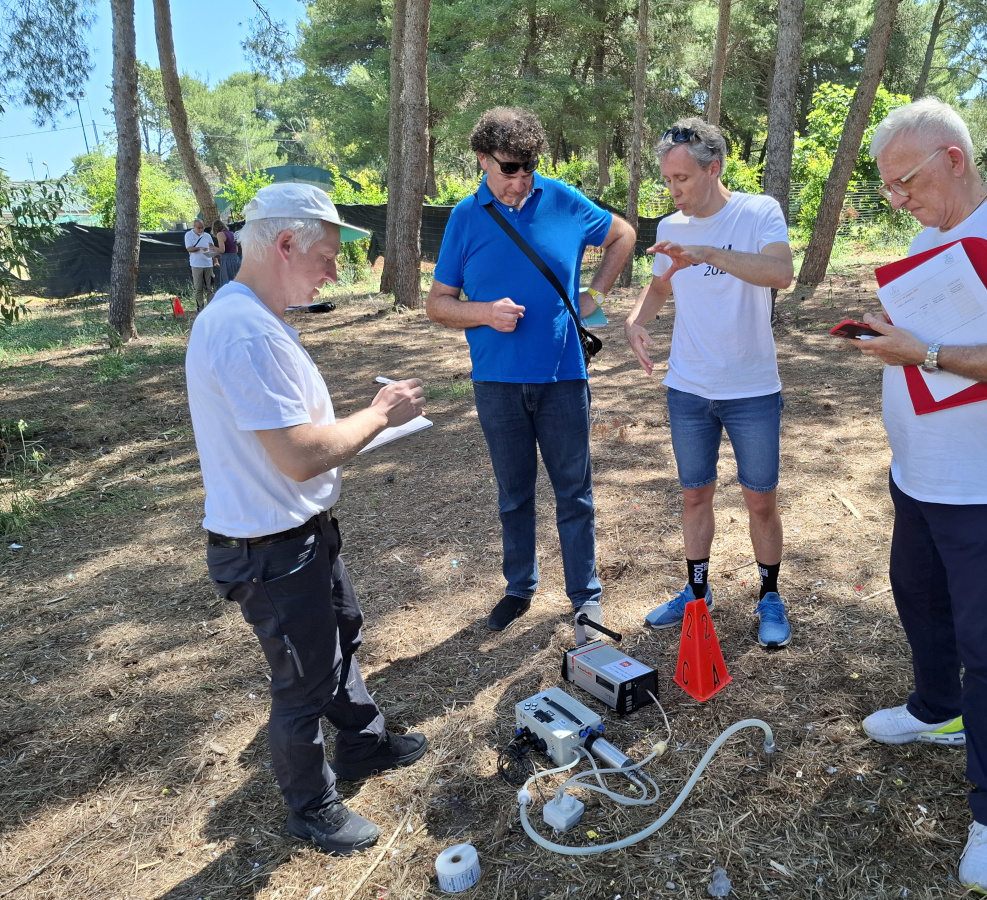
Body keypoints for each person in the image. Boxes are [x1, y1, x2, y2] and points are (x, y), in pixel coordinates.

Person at [846, 98, 987, 895]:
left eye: (904, 181)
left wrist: (928, 349)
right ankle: (937, 708)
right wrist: (894, 340)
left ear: (953, 158)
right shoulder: (927, 238)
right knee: (921, 602)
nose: (899, 199)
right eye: (888, 189)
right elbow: (934, 352)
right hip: (923, 475)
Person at [185, 183, 429, 857]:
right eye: (326, 256)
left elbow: (299, 434)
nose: (334, 271)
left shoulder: (260, 319)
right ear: (285, 244)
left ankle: (362, 745)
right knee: (302, 681)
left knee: (343, 634)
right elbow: (297, 455)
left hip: (300, 530)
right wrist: (379, 413)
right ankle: (312, 807)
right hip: (268, 547)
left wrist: (361, 428)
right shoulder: (241, 329)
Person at [425, 107, 636, 637]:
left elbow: (624, 235)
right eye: (510, 168)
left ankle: (585, 598)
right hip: (496, 383)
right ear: (482, 160)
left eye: (529, 167)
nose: (521, 180)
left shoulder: (561, 199)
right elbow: (437, 304)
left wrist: (595, 296)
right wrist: (483, 313)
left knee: (575, 492)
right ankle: (519, 587)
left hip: (564, 377)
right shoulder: (464, 218)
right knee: (514, 494)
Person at [623, 118, 794, 649]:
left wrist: (708, 253)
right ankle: (697, 593)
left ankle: (769, 595)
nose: (673, 191)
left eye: (682, 179)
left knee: (760, 500)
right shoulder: (671, 227)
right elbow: (659, 288)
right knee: (695, 495)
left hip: (751, 390)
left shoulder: (758, 212)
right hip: (690, 389)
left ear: (713, 168)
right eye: (667, 180)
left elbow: (780, 273)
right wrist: (636, 321)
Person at [184, 218, 216, 310]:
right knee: (198, 288)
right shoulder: (188, 235)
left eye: (202, 228)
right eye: (198, 228)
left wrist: (215, 260)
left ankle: (211, 307)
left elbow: (212, 248)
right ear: (194, 227)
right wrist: (200, 248)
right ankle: (200, 307)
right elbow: (189, 249)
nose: (201, 230)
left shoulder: (207, 236)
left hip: (208, 264)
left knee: (210, 287)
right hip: (196, 265)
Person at [213, 218, 242, 288]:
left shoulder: (220, 234)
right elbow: (236, 250)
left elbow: (222, 250)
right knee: (236, 280)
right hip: (235, 259)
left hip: (227, 261)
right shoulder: (232, 234)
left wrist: (212, 247)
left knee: (227, 281)